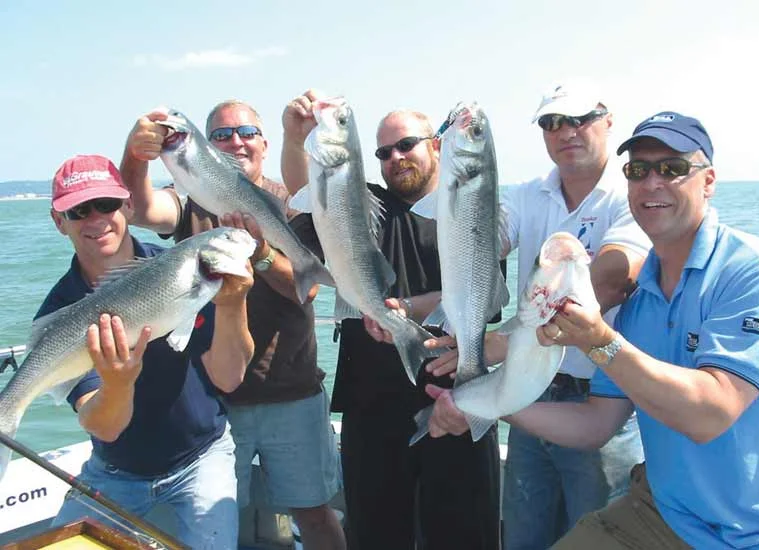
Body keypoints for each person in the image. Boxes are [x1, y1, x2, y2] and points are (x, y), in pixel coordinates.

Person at [429, 111, 759, 548]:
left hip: (755, 532)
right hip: (660, 513)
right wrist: (482, 405)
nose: (652, 183)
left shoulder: (757, 273)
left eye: (672, 169)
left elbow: (711, 413)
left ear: (708, 181)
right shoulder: (638, 304)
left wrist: (599, 341)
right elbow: (595, 424)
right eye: (638, 170)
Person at [430, 82, 650, 549]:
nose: (565, 131)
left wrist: (496, 344)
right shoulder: (527, 195)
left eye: (579, 119)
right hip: (528, 384)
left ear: (608, 120)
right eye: (552, 122)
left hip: (603, 399)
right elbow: (480, 243)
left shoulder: (633, 197)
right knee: (524, 536)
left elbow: (612, 279)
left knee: (598, 536)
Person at [121, 100, 346, 550]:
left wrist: (261, 254)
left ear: (265, 142)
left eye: (246, 131)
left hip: (293, 389)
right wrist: (135, 154)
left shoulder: (294, 201)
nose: (235, 141)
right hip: (214, 400)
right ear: (206, 145)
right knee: (222, 520)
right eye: (221, 135)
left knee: (316, 515)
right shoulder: (190, 198)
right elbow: (138, 208)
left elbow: (308, 288)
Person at [281, 90, 501, 550]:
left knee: (464, 535)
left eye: (406, 145)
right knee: (376, 535)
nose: (395, 158)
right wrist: (295, 137)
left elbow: (489, 299)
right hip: (371, 408)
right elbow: (312, 199)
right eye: (383, 152)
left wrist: (414, 307)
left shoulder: (470, 209)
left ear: (437, 146)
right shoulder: (365, 207)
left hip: (454, 398)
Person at [45, 154, 254, 549]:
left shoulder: (183, 269)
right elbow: (103, 425)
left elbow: (228, 378)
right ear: (59, 222)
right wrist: (119, 383)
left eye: (107, 204)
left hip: (201, 458)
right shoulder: (61, 311)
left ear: (127, 205)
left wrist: (231, 305)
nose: (96, 219)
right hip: (114, 471)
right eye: (79, 210)